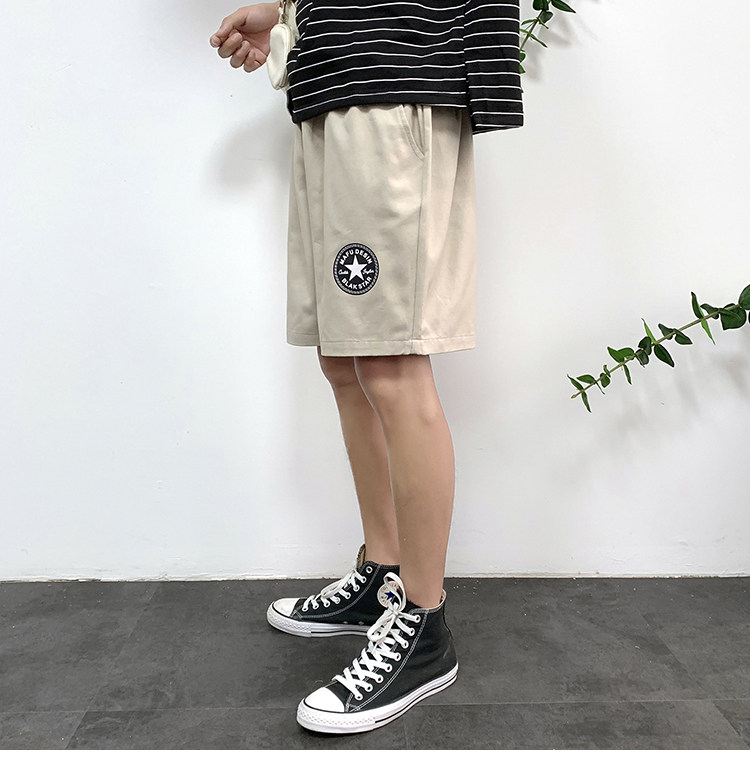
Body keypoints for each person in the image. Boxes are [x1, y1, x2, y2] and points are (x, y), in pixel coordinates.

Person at [210, 0, 523, 735]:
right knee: (345, 359)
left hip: (395, 84)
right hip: (327, 88)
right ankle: (384, 573)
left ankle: (424, 624)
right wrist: (285, 13)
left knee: (391, 363)